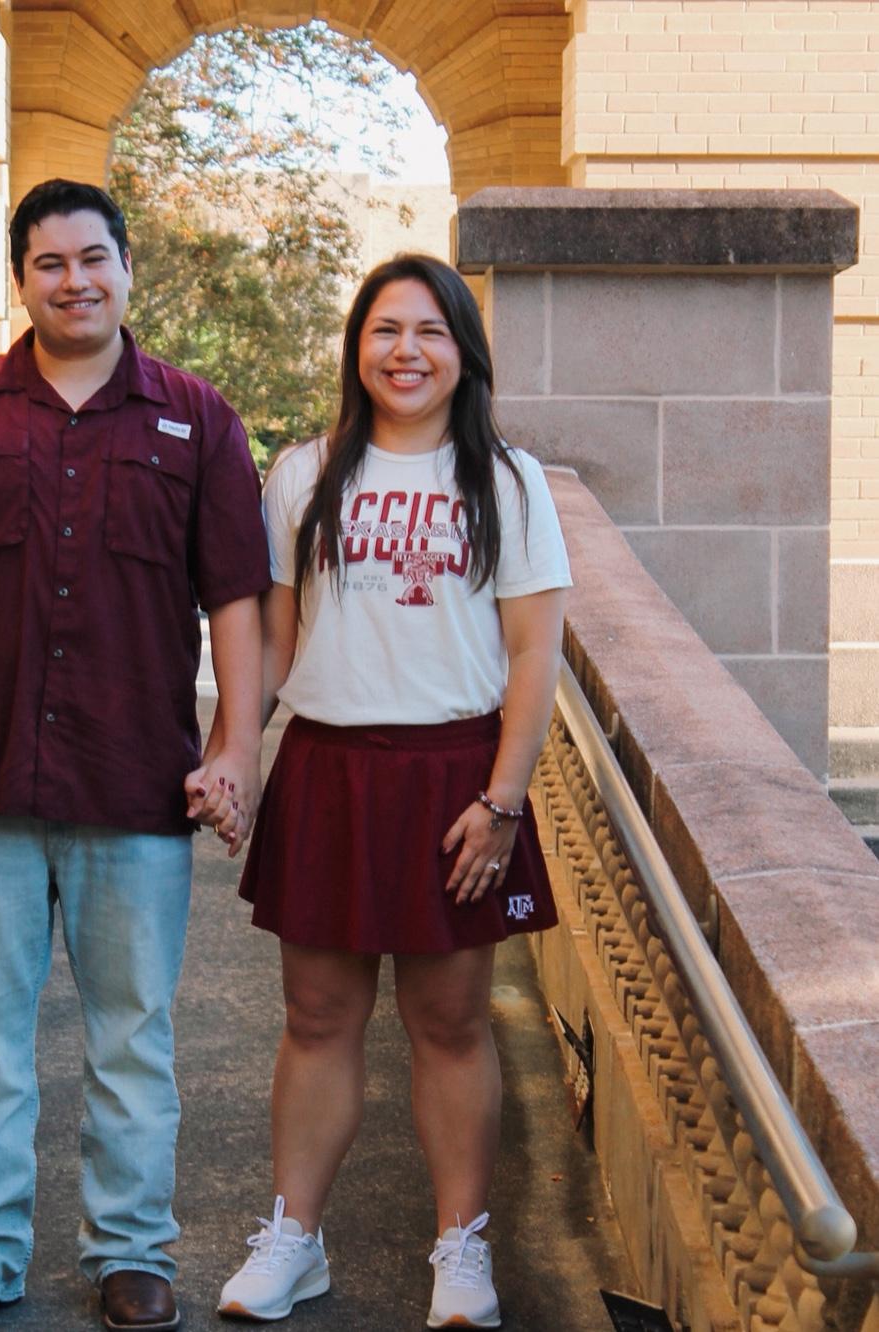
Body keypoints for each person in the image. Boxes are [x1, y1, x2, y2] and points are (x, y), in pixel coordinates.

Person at [0, 178, 269, 1332]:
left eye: (94, 258)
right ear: (20, 279)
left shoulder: (198, 419)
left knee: (131, 1036)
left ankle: (131, 1252)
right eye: (49, 263)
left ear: (127, 268)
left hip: (136, 780)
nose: (74, 281)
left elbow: (237, 598)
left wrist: (235, 745)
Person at [212, 254, 571, 1329]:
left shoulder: (508, 482)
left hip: (456, 780)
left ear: (464, 354)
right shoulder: (303, 473)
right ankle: (294, 1237)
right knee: (316, 1015)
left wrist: (503, 798)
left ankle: (461, 1252)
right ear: (355, 349)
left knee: (451, 1021)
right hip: (329, 767)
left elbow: (533, 657)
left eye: (429, 331)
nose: (404, 351)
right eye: (383, 330)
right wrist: (235, 751)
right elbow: (273, 645)